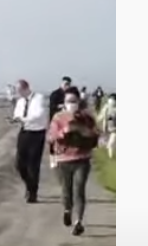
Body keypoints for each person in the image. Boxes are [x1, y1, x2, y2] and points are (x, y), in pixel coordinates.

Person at [47, 86, 100, 236]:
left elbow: (96, 134)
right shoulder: (58, 117)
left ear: (79, 101)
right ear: (64, 102)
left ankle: (79, 222)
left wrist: (82, 130)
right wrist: (64, 131)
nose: (71, 103)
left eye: (74, 101)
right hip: (63, 160)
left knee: (79, 190)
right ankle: (67, 209)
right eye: (68, 101)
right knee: (66, 191)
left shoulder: (87, 117)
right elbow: (50, 137)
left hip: (82, 159)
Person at [12, 79, 48, 204]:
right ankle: (29, 185)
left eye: (19, 90)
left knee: (33, 164)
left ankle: (33, 193)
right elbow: (16, 113)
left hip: (37, 134)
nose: (18, 93)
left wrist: (23, 118)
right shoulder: (20, 101)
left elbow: (38, 114)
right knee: (19, 164)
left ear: (25, 88)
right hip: (24, 132)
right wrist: (17, 118)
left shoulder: (39, 98)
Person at [48, 76, 71, 168]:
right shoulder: (55, 94)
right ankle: (52, 159)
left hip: (66, 120)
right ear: (61, 83)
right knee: (53, 140)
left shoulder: (69, 94)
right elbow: (52, 106)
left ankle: (63, 157)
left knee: (65, 138)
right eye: (65, 84)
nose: (67, 86)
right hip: (55, 120)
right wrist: (62, 106)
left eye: (68, 84)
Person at [98, 94, 116, 159]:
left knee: (111, 144)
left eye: (113, 99)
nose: (111, 100)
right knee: (108, 143)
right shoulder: (106, 107)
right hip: (107, 128)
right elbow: (101, 115)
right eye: (110, 98)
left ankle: (111, 157)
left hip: (115, 130)